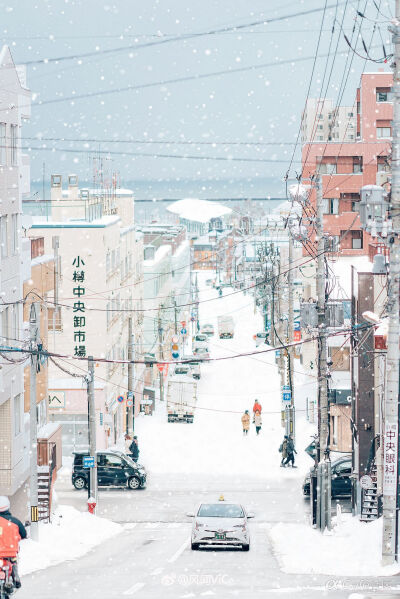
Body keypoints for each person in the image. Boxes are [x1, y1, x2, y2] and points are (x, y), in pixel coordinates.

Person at [0, 496, 27, 589]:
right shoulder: (15, 521)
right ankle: (16, 577)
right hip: (11, 553)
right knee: (14, 562)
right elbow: (24, 534)